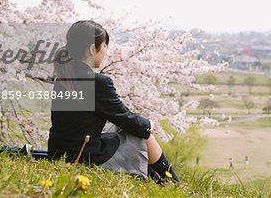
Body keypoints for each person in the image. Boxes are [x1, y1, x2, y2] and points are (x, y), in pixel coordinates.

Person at [47, 20, 179, 183]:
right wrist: (149, 125)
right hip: (84, 157)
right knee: (142, 133)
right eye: (104, 47)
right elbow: (123, 117)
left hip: (58, 153)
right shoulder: (98, 82)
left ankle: (157, 178)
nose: (106, 52)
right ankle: (172, 181)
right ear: (92, 49)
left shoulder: (62, 79)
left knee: (127, 127)